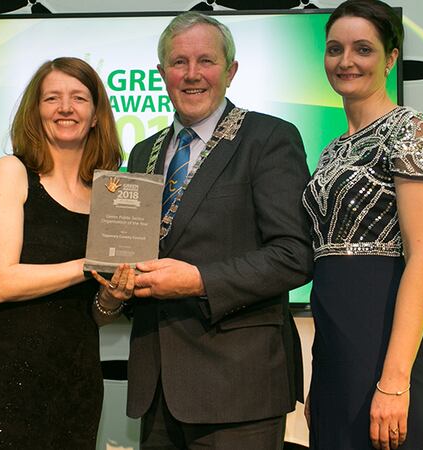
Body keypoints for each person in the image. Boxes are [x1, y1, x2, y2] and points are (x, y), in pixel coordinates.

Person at [125, 12, 314, 449]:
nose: (192, 75)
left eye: (206, 61)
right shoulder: (142, 154)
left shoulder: (269, 138)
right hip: (157, 389)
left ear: (230, 71)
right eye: (178, 62)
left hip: (238, 387)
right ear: (161, 74)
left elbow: (293, 254)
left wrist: (196, 281)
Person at [301, 1, 423, 449]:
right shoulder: (331, 150)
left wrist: (394, 380)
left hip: (386, 352)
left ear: (390, 58)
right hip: (335, 358)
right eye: (334, 49)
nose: (346, 61)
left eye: (362, 49)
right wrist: (319, 376)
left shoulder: (412, 129)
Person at [0, 56, 131, 449]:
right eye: (52, 98)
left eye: (78, 98)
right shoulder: (13, 171)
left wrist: (111, 298)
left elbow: (94, 314)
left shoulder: (111, 193)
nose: (65, 108)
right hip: (9, 375)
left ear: (95, 115)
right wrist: (86, 266)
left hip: (78, 377)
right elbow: (0, 282)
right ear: (35, 112)